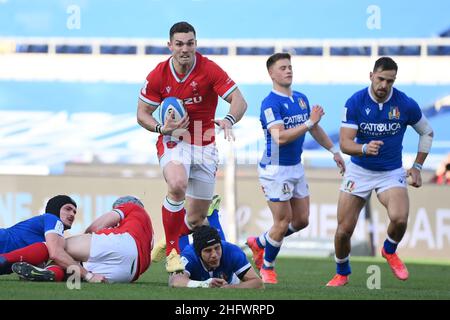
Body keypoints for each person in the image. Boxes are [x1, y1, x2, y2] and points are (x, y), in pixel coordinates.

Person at [137, 21, 247, 273]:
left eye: (190, 43)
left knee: (196, 219)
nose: (185, 49)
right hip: (175, 139)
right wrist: (160, 129)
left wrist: (229, 119)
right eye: (179, 44)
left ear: (195, 44)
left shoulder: (208, 69)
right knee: (176, 185)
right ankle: (174, 251)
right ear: (170, 46)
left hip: (205, 142)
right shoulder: (158, 74)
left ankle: (170, 237)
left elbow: (239, 100)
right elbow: (142, 113)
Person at [326, 57, 434, 287]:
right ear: (371, 76)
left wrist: (417, 167)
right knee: (344, 230)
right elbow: (345, 143)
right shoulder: (355, 102)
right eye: (380, 79)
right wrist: (364, 148)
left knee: (399, 218)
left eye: (390, 81)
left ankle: (389, 250)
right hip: (358, 170)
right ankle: (342, 272)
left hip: (390, 171)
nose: (384, 85)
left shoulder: (405, 104)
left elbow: (427, 132)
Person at [246, 53, 346, 284]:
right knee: (282, 222)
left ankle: (260, 242)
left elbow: (314, 129)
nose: (288, 71)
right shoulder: (269, 103)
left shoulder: (301, 99)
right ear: (271, 73)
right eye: (282, 68)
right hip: (275, 169)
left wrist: (334, 151)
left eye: (290, 67)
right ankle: (267, 268)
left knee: (301, 220)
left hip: (295, 167)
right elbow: (279, 137)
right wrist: (309, 122)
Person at [11, 195, 153, 283]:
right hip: (129, 274)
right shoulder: (148, 234)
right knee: (71, 266)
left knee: (58, 247)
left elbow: (96, 227)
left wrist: (87, 238)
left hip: (124, 244)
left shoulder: (132, 207)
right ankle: (50, 273)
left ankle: (5, 259)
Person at [0, 195, 97, 280]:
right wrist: (88, 276)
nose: (72, 214)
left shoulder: (49, 238)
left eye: (74, 212)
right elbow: (56, 254)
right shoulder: (52, 218)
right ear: (56, 209)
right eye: (68, 209)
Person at [169, 225, 263, 289]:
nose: (214, 254)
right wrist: (204, 284)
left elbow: (258, 283)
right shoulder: (189, 255)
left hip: (231, 281)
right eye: (208, 250)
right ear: (198, 252)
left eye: (217, 248)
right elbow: (175, 280)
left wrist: (231, 287)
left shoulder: (232, 251)